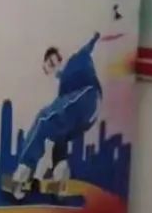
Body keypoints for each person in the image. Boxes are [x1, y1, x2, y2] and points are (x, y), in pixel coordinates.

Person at [9, 33, 102, 200]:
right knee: (58, 137)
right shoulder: (64, 91)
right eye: (50, 69)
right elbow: (48, 139)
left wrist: (96, 37)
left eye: (53, 63)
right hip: (87, 114)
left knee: (43, 119)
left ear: (59, 57)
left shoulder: (75, 60)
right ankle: (60, 182)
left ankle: (22, 175)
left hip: (88, 97)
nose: (55, 70)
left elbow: (87, 48)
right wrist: (38, 178)